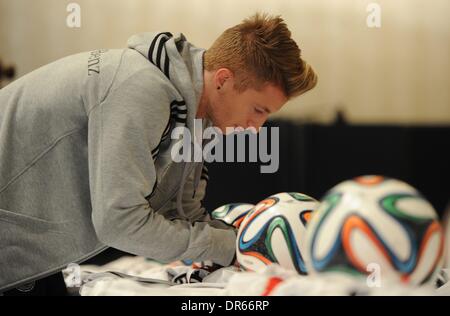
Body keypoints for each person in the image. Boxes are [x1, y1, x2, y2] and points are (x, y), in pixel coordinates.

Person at [0, 13, 317, 294]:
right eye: (258, 110)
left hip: (31, 257)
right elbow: (119, 223)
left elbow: (182, 214)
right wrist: (234, 246)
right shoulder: (141, 89)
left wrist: (244, 240)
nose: (257, 128)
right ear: (223, 79)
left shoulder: (195, 119)